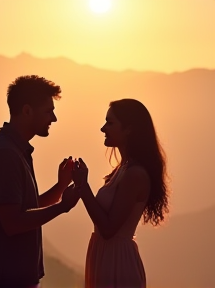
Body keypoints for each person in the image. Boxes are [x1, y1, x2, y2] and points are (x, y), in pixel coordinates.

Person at [0, 75, 80, 288]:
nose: (53, 119)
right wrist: (63, 206)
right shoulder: (5, 155)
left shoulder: (14, 149)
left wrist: (61, 186)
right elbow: (13, 223)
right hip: (6, 279)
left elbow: (26, 208)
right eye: (48, 111)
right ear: (27, 110)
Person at [72, 99, 170, 288]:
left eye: (110, 122)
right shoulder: (122, 169)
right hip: (105, 256)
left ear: (129, 129)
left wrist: (83, 187)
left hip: (117, 262)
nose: (103, 128)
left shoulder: (135, 174)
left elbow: (109, 229)